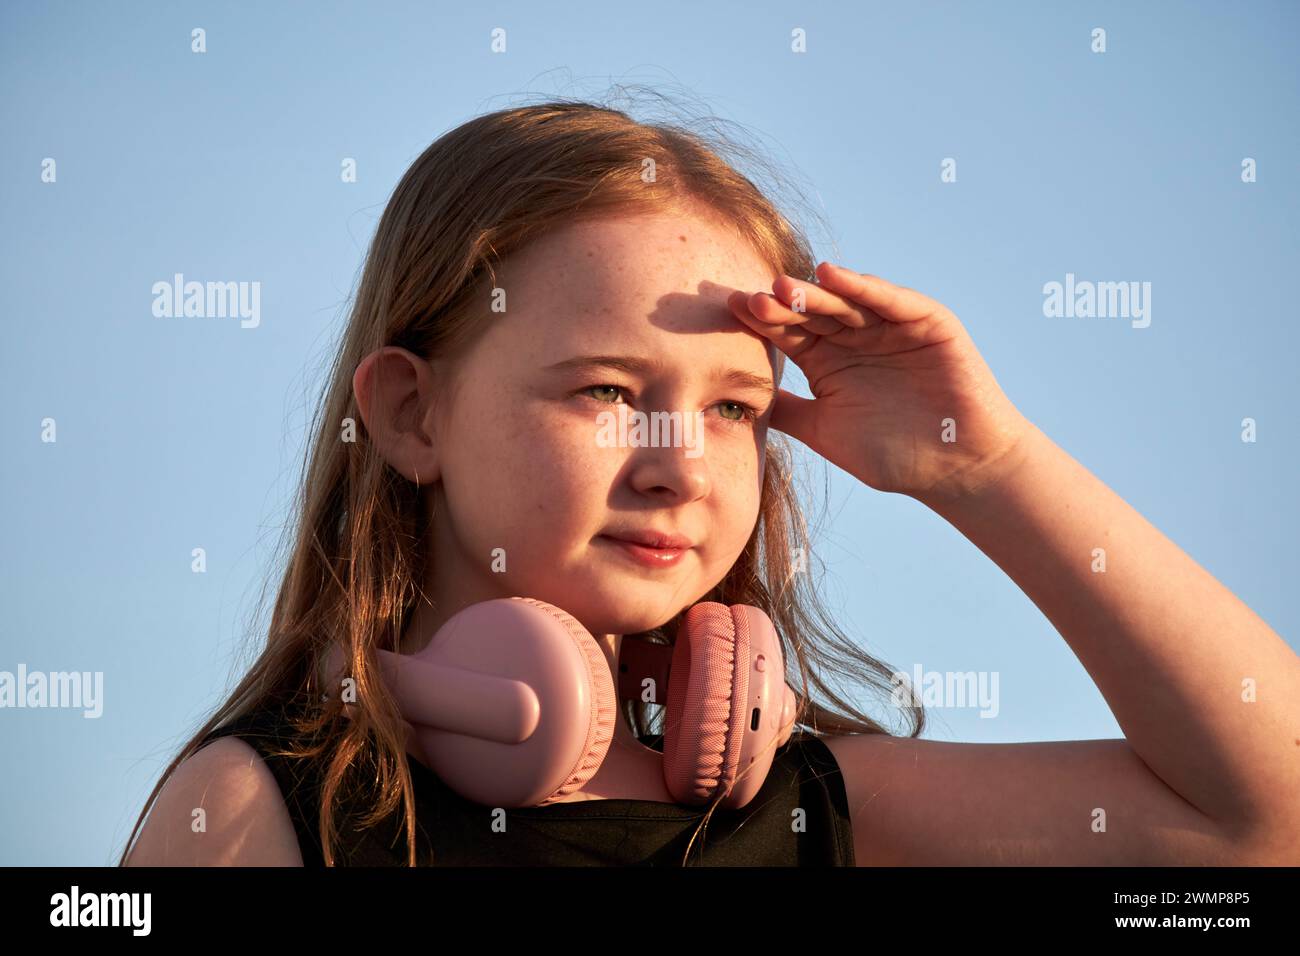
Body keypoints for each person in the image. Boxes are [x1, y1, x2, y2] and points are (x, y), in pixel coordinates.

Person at [119, 97, 1300, 868]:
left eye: (733, 406)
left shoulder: (811, 808)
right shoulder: (259, 814)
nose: (678, 464)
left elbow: (1262, 819)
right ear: (411, 413)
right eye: (603, 391)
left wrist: (986, 469)